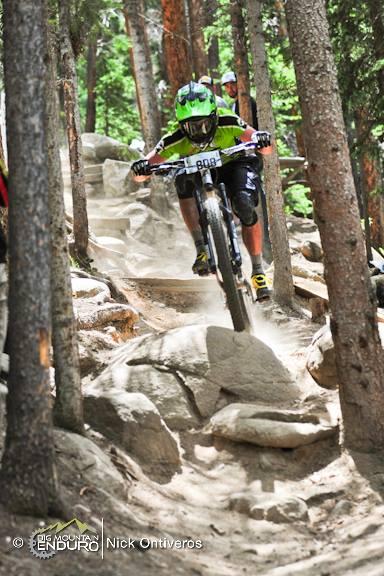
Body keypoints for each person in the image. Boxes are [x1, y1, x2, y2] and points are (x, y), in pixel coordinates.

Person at [131, 81, 272, 300]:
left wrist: (260, 139)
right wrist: (141, 167)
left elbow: (262, 143)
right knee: (182, 181)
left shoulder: (228, 120)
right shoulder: (176, 137)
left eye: (205, 124)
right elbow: (142, 172)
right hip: (198, 169)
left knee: (244, 204)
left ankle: (257, 270)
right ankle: (201, 248)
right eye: (190, 127)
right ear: (180, 124)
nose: (199, 132)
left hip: (233, 163)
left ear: (215, 116)